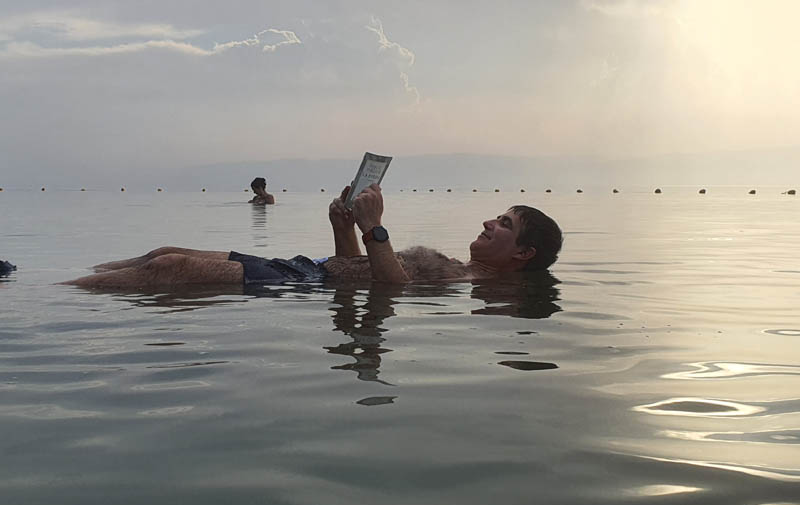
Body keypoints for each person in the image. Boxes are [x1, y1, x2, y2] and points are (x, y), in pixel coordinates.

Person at [62, 184, 562, 288]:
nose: (488, 223)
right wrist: (344, 229)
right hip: (313, 268)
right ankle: (55, 280)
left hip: (301, 284)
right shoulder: (460, 266)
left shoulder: (477, 284)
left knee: (167, 269)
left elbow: (394, 288)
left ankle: (48, 296)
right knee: (162, 251)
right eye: (495, 215)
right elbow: (358, 272)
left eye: (505, 224)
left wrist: (374, 229)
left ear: (523, 253)